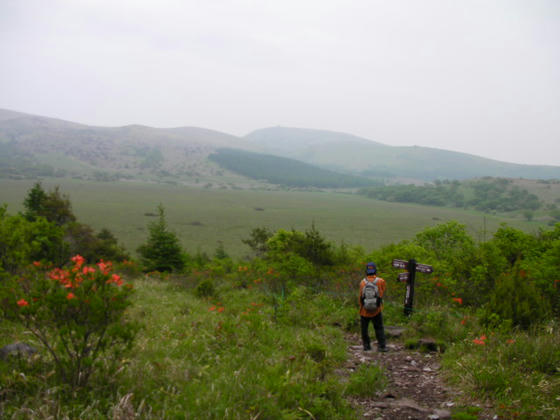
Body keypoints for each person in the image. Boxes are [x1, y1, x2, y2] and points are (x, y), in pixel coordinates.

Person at [359, 262, 387, 352]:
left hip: (364, 310)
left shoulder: (362, 282)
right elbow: (382, 293)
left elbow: (360, 297)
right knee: (379, 327)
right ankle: (382, 346)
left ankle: (366, 346)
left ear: (366, 271)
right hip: (377, 309)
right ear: (375, 270)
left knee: (364, 329)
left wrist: (362, 307)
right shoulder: (381, 281)